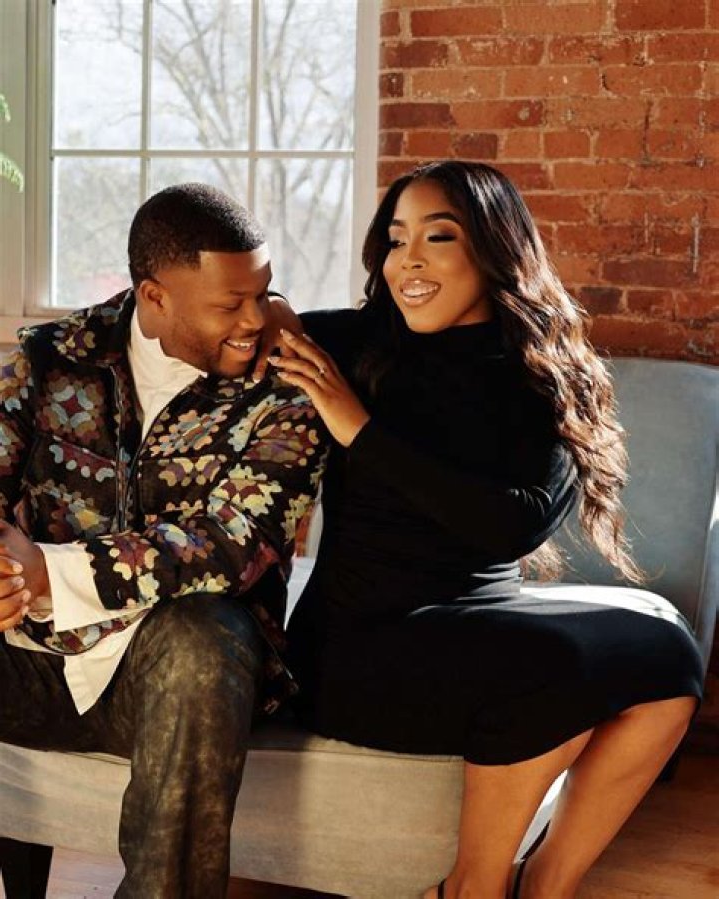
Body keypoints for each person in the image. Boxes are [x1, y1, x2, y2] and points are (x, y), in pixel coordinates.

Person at [259, 161, 703, 899]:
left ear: (493, 250)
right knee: (564, 667)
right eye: (396, 240)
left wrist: (358, 429)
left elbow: (510, 525)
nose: (409, 262)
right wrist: (270, 309)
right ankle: (473, 886)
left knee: (670, 665)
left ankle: (545, 884)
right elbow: (240, 320)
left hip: (476, 621)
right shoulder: (356, 344)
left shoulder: (542, 369)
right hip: (358, 649)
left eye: (438, 237)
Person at [0, 183, 327, 898]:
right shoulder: (54, 358)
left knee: (202, 640)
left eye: (263, 293)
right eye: (230, 304)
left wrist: (48, 572)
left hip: (177, 674)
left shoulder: (284, 390)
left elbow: (235, 545)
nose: (255, 319)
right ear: (154, 296)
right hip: (32, 659)